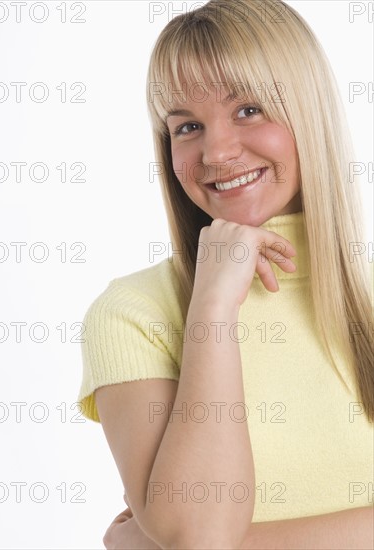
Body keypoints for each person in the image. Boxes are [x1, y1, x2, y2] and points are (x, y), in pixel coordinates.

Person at [78, 1, 374, 548]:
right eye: (187, 126)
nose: (216, 151)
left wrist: (150, 542)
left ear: (310, 111)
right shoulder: (134, 315)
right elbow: (200, 533)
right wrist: (211, 309)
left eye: (249, 110)